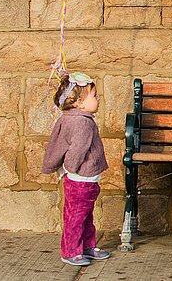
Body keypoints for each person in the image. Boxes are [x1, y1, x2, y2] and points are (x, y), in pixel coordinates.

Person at [42, 72, 111, 267]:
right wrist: (72, 169)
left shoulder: (76, 118)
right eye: (94, 96)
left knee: (86, 216)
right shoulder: (82, 123)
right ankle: (71, 250)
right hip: (80, 180)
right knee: (76, 216)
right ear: (79, 102)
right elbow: (76, 150)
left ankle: (87, 246)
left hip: (86, 179)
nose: (98, 99)